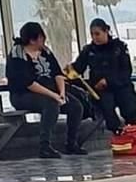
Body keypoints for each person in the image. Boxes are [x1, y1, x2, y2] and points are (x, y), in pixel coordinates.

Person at [5, 22, 86, 158]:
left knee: (75, 106)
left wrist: (61, 92)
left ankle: (72, 143)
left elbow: (57, 73)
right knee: (51, 105)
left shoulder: (46, 52)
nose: (43, 41)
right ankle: (45, 146)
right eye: (40, 38)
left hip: (51, 89)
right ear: (32, 40)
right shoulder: (17, 54)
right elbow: (28, 83)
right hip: (24, 94)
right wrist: (53, 96)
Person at [71, 18, 136, 134]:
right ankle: (117, 131)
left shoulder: (119, 48)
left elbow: (126, 72)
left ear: (106, 31)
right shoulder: (89, 50)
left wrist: (108, 81)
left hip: (120, 85)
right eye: (92, 34)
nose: (94, 37)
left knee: (129, 105)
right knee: (106, 105)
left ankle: (134, 131)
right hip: (100, 89)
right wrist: (67, 73)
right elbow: (78, 67)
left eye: (97, 34)